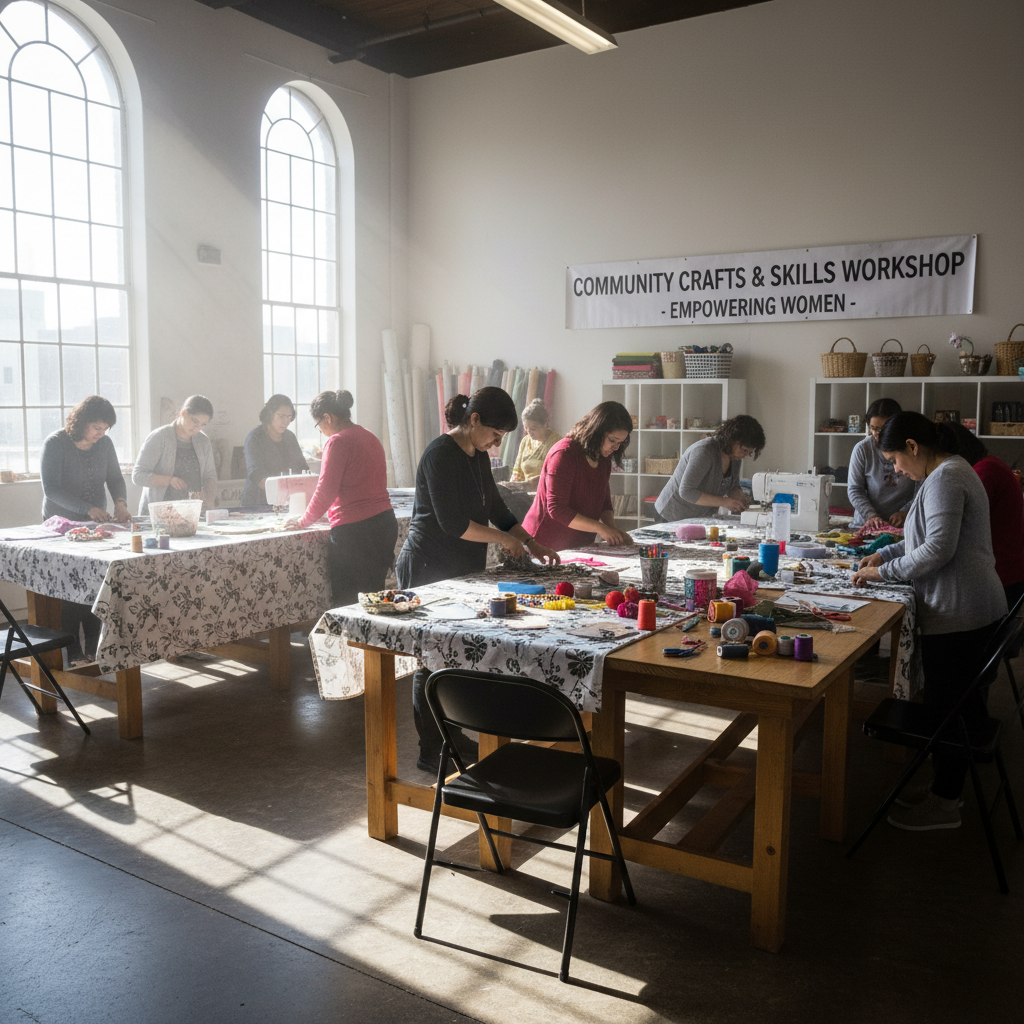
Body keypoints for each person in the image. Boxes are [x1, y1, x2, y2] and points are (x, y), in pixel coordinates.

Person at [852, 412, 1007, 831]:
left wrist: (882, 574)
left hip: (963, 613)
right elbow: (921, 535)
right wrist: (882, 555)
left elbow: (937, 548)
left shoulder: (947, 478)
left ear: (914, 448)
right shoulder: (943, 474)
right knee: (949, 703)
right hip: (965, 609)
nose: (896, 470)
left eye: (896, 461)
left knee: (949, 708)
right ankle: (945, 790)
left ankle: (945, 803)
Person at [396, 387, 560, 773]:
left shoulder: (479, 455)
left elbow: (495, 507)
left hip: (460, 567)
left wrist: (531, 541)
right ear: (473, 421)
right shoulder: (439, 454)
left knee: (458, 654)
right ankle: (431, 748)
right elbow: (452, 523)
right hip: (427, 566)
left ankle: (454, 736)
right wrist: (504, 539)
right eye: (495, 434)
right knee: (430, 660)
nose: (496, 442)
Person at [284, 390, 397, 606]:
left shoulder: (338, 442)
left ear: (328, 417)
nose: (321, 432)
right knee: (373, 601)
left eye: (318, 425)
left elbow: (326, 491)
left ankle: (348, 641)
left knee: (348, 602)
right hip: (384, 525)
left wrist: (302, 521)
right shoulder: (369, 436)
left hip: (356, 533)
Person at [522, 401, 634, 550]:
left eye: (620, 442)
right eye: (612, 440)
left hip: (577, 543)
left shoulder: (603, 456)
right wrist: (600, 528)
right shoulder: (564, 454)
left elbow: (604, 501)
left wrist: (612, 529)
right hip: (543, 543)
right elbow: (556, 509)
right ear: (597, 431)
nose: (615, 447)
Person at [947, 423, 1024, 611]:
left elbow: (956, 525)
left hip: (1001, 573)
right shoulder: (990, 463)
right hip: (1008, 568)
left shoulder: (983, 472)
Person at [654, 414, 764, 521]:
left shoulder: (734, 457)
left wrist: (740, 498)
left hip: (698, 517)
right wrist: (724, 502)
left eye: (750, 453)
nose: (745, 455)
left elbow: (732, 486)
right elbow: (686, 491)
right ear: (732, 439)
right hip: (672, 515)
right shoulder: (704, 452)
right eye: (744, 450)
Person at [40, 395, 129, 524]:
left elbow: (115, 479)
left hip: (95, 520)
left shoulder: (105, 443)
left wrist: (120, 503)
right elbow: (51, 489)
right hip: (59, 521)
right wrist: (88, 509)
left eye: (105, 429)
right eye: (97, 428)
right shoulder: (55, 443)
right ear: (81, 422)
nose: (101, 434)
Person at [132, 395, 218, 515]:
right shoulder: (159, 437)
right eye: (195, 421)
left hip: (192, 514)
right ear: (183, 413)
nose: (197, 428)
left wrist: (208, 500)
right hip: (159, 514)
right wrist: (169, 480)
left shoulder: (203, 441)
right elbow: (138, 475)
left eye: (203, 425)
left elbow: (210, 476)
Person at [848, 398, 917, 528]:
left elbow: (922, 487)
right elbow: (855, 489)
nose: (876, 434)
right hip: (865, 525)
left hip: (902, 525)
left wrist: (905, 511)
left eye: (882, 429)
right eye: (873, 428)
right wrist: (872, 517)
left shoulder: (910, 447)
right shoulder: (863, 449)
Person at [241, 394, 309, 506]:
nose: (286, 421)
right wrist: (282, 490)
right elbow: (256, 474)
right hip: (258, 501)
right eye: (281, 416)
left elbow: (302, 468)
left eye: (289, 417)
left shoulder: (290, 437)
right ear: (270, 414)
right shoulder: (255, 437)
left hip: (286, 500)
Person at [509, 398, 561, 484]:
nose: (529, 432)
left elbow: (555, 476)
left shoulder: (557, 443)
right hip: (525, 492)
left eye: (533, 428)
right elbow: (517, 471)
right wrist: (512, 487)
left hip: (545, 492)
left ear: (546, 423)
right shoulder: (525, 441)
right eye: (526, 427)